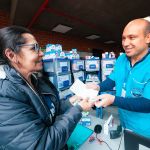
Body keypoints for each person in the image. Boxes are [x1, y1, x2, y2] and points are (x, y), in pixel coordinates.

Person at [0, 26, 94, 150]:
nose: (42, 53)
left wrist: (74, 100)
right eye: (34, 48)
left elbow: (52, 109)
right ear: (12, 55)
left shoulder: (35, 79)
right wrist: (79, 109)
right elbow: (42, 145)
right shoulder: (5, 97)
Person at [87, 18, 150, 137]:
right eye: (123, 38)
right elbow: (113, 79)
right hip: (124, 121)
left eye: (132, 37)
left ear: (148, 38)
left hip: (145, 129)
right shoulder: (121, 59)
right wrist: (97, 86)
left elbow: (148, 103)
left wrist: (113, 99)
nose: (125, 43)